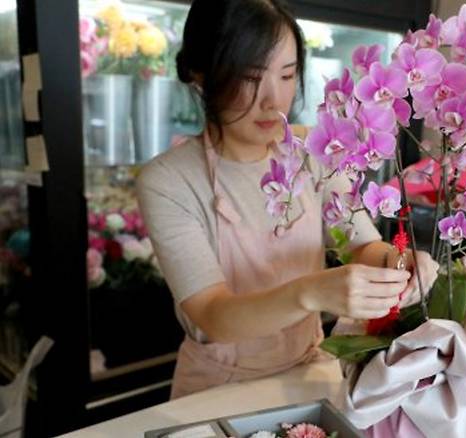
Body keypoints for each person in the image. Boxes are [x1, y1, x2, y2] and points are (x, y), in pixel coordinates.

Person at [136, 0, 438, 399]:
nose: (273, 100)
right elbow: (213, 315)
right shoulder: (169, 180)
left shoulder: (313, 151)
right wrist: (310, 292)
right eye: (250, 77)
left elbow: (361, 245)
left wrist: (399, 263)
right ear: (201, 74)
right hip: (217, 387)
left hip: (308, 372)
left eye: (287, 74)